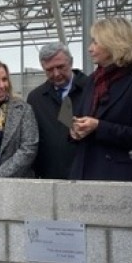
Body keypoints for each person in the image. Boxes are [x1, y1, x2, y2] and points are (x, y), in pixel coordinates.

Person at [69, 17, 132, 181]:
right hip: (85, 172)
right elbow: (80, 117)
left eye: (95, 42)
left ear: (114, 44)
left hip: (119, 176)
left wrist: (99, 127)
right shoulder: (93, 80)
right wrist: (75, 130)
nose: (90, 48)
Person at [26, 42, 88, 179]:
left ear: (71, 62)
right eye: (49, 70)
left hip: (86, 174)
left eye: (60, 67)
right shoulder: (36, 98)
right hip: (50, 177)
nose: (56, 74)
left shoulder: (91, 90)